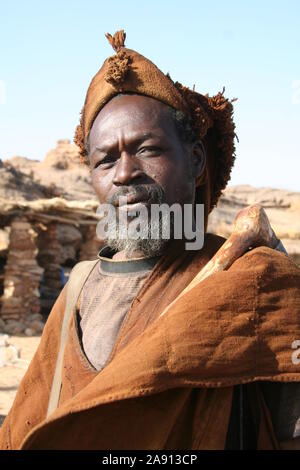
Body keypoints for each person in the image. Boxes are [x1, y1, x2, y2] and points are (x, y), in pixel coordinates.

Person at [0, 30, 300, 450]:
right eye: (106, 160)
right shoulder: (77, 295)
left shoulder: (250, 280)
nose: (124, 173)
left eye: (147, 149)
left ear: (195, 160)